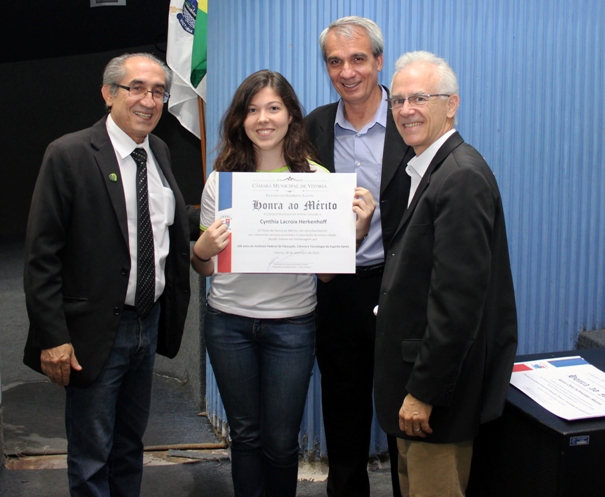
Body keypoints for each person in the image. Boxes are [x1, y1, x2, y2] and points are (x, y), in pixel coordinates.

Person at [191, 69, 375, 497]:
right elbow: (205, 268)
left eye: (273, 108)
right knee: (245, 436)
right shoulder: (221, 181)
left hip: (292, 327)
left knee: (279, 441)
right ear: (240, 119)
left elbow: (326, 274)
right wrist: (200, 250)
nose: (263, 119)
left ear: (291, 115)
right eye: (252, 110)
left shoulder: (318, 181)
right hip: (228, 324)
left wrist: (355, 234)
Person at [23, 53, 191, 497]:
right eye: (137, 88)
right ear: (108, 93)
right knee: (91, 454)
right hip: (94, 330)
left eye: (158, 91)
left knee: (129, 445)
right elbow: (42, 256)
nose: (149, 100)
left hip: (147, 323)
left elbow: (162, 226)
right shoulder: (69, 154)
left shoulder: (158, 151)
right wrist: (53, 337)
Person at [373, 50, 518, 497]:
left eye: (420, 98)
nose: (406, 110)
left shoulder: (460, 177)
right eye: (397, 100)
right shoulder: (427, 169)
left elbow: (458, 305)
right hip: (418, 392)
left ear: (451, 104)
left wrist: (424, 393)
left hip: (436, 401)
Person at [305, 16, 415, 497]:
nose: (346, 72)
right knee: (343, 416)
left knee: (405, 420)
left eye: (357, 59)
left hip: (399, 289)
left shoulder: (410, 119)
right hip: (337, 291)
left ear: (378, 61)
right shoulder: (312, 126)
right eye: (335, 61)